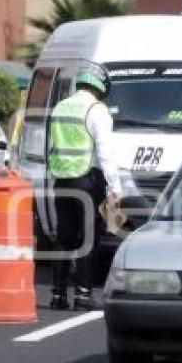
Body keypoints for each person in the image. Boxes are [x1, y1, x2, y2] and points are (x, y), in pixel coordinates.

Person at [48, 64, 121, 310]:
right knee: (88, 239)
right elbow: (105, 152)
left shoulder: (60, 107)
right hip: (87, 180)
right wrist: (115, 186)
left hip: (61, 180)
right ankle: (82, 295)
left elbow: (52, 146)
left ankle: (58, 295)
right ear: (100, 86)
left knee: (64, 237)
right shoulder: (96, 110)